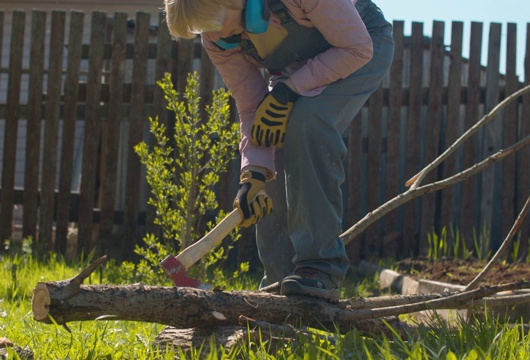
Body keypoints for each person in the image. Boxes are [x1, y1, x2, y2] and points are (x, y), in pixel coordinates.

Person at [164, 0, 394, 301]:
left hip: (361, 45)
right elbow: (251, 108)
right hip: (296, 72)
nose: (215, 34)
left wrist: (288, 90)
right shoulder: (217, 40)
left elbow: (357, 47)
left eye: (216, 22)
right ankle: (278, 281)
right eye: (204, 30)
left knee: (307, 122)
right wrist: (253, 173)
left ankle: (319, 268)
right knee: (273, 134)